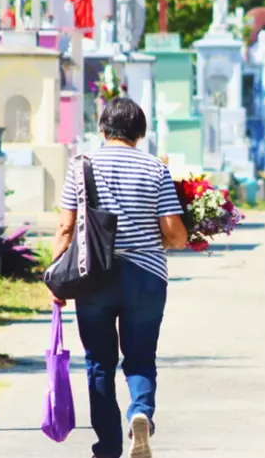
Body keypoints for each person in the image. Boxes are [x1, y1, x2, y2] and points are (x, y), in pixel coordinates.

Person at [52, 97, 188, 458]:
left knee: (99, 361)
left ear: (102, 128)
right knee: (141, 357)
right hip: (145, 277)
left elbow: (66, 227)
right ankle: (140, 412)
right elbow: (174, 233)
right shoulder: (155, 169)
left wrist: (56, 278)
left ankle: (108, 446)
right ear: (140, 133)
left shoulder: (80, 166)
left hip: (93, 275)